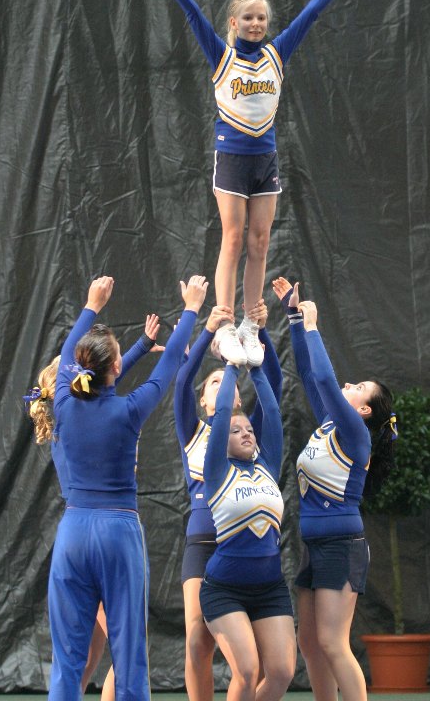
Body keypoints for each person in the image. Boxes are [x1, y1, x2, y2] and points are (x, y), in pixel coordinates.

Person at [139, 0, 369, 367]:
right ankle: (224, 322)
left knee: (260, 240)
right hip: (231, 158)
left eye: (262, 17)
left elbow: (310, 14)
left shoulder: (277, 54)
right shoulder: (222, 56)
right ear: (234, 22)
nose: (256, 23)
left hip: (265, 160)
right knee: (232, 236)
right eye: (248, 17)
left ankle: (249, 323)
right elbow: (192, 15)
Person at [46, 274, 207, 700]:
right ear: (115, 368)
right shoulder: (128, 411)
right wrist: (191, 308)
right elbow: (168, 368)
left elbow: (70, 351)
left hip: (73, 533)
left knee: (67, 661)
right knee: (130, 656)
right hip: (118, 532)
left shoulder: (63, 402)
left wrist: (92, 305)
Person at [24, 314, 164, 699]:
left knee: (81, 656)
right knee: (116, 651)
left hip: (77, 535)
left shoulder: (70, 415)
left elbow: (106, 379)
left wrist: (140, 347)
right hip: (108, 532)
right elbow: (105, 382)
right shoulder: (75, 416)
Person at [272, 277, 396, 701]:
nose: (349, 384)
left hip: (342, 546)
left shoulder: (355, 435)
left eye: (358, 388)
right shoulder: (330, 423)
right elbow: (310, 374)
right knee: (309, 643)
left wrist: (313, 326)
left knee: (332, 642)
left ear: (363, 410)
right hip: (315, 545)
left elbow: (326, 380)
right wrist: (293, 317)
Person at [173, 300, 282, 701]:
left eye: (227, 380)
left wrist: (260, 333)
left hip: (247, 547)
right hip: (205, 543)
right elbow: (182, 382)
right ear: (205, 401)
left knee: (252, 658)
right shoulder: (194, 430)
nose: (222, 385)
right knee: (198, 639)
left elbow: (275, 387)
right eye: (213, 383)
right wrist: (207, 334)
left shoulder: (249, 432)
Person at [199, 356, 295, 701]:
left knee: (281, 673)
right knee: (248, 670)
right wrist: (231, 367)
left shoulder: (267, 465)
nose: (246, 434)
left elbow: (272, 413)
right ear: (221, 438)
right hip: (225, 589)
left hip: (270, 587)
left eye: (250, 430)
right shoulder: (217, 471)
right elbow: (223, 410)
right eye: (236, 431)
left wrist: (256, 367)